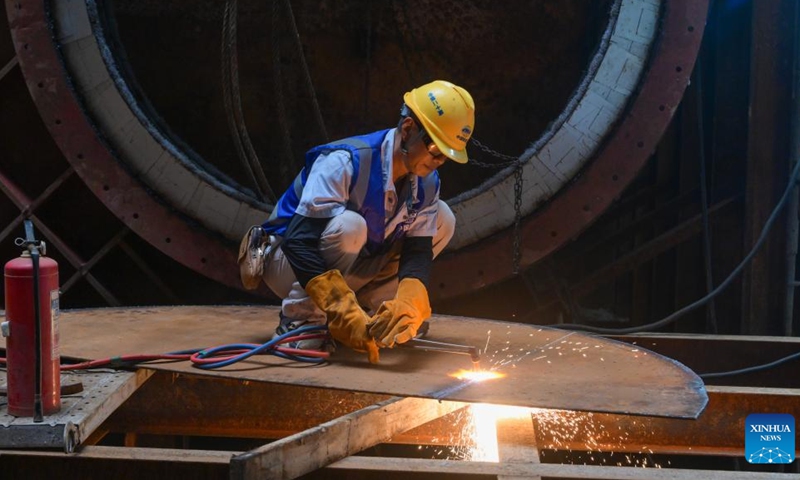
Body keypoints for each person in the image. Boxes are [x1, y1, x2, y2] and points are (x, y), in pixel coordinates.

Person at [239, 80, 475, 364]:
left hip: (352, 267)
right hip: (288, 262)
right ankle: (302, 319)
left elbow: (417, 251)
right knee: (350, 226)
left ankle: (380, 314)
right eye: (435, 149)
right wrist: (340, 307)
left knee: (444, 217)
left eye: (446, 156)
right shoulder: (344, 161)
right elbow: (299, 242)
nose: (438, 161)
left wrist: (409, 301)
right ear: (408, 128)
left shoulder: (426, 181)